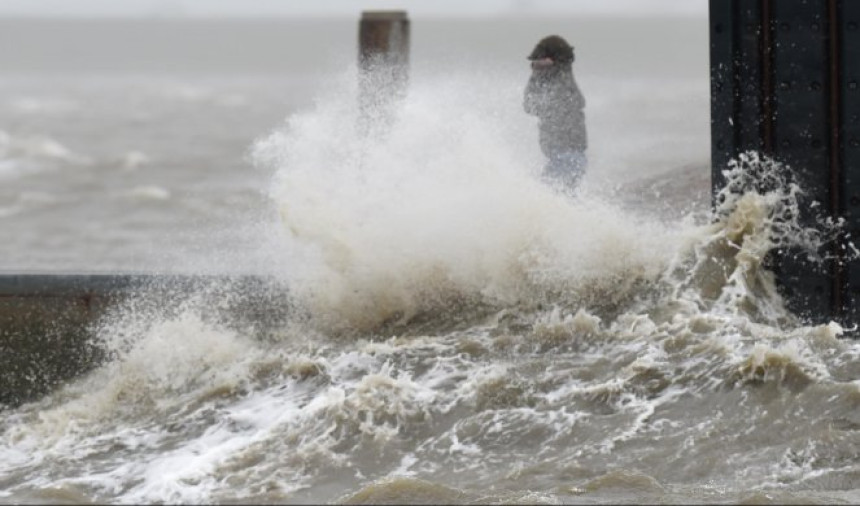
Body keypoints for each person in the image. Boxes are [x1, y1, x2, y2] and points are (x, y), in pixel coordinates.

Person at [523, 35, 587, 193]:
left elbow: (567, 57)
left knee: (547, 196)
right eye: (534, 63)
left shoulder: (563, 73)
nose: (536, 66)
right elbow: (528, 106)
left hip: (570, 156)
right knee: (561, 199)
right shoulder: (540, 77)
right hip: (560, 156)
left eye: (542, 62)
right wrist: (537, 70)